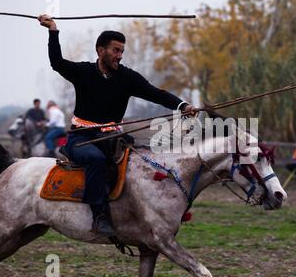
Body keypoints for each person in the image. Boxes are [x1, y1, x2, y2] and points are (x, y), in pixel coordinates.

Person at [38, 14, 198, 238]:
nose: (119, 56)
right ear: (100, 50)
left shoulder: (127, 77)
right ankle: (99, 216)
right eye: (115, 50)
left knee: (142, 159)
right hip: (82, 139)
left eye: (122, 51)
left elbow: (155, 93)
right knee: (96, 159)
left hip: (114, 139)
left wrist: (182, 105)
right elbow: (57, 63)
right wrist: (53, 31)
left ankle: (138, 212)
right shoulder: (82, 72)